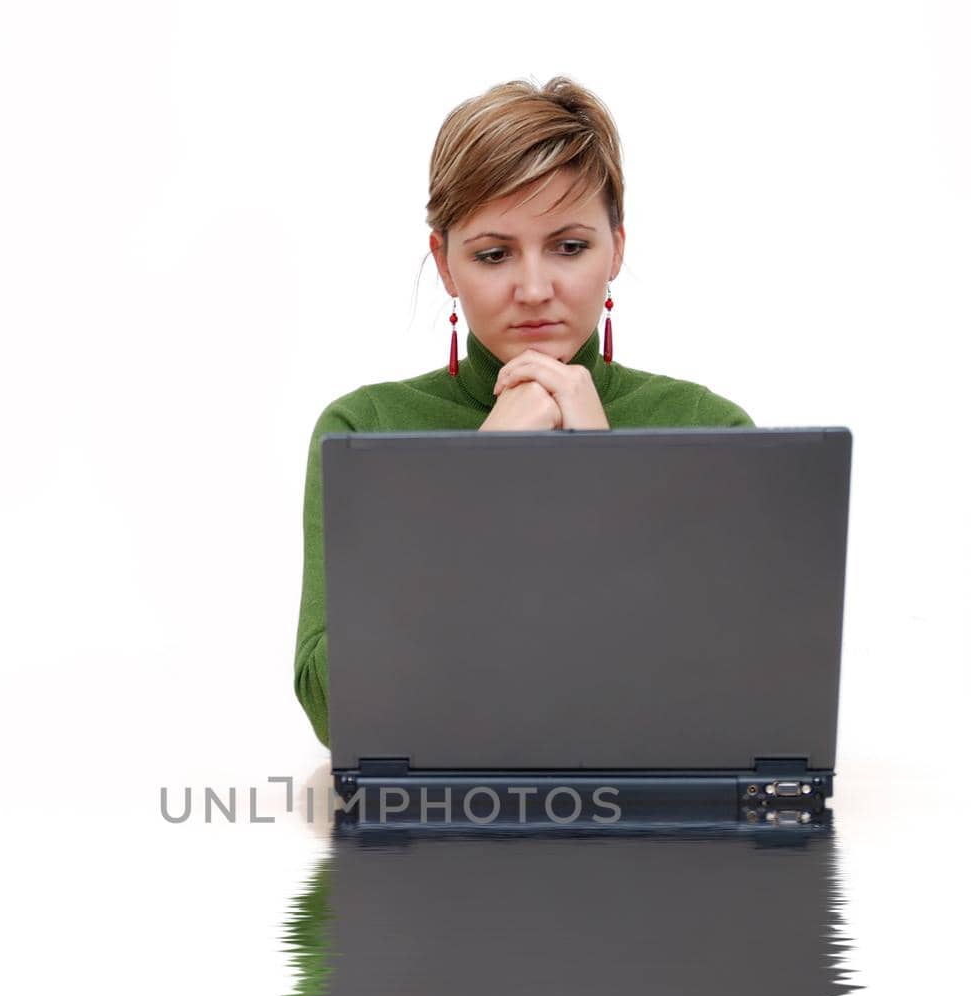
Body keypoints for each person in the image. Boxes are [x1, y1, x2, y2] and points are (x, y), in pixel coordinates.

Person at [293, 75, 756, 749]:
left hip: (655, 832)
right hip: (436, 825)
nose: (535, 289)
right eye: (492, 254)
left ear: (617, 249)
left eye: (569, 247)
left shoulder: (710, 431)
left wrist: (607, 478)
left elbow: (731, 707)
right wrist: (476, 477)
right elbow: (337, 710)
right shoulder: (365, 432)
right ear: (445, 265)